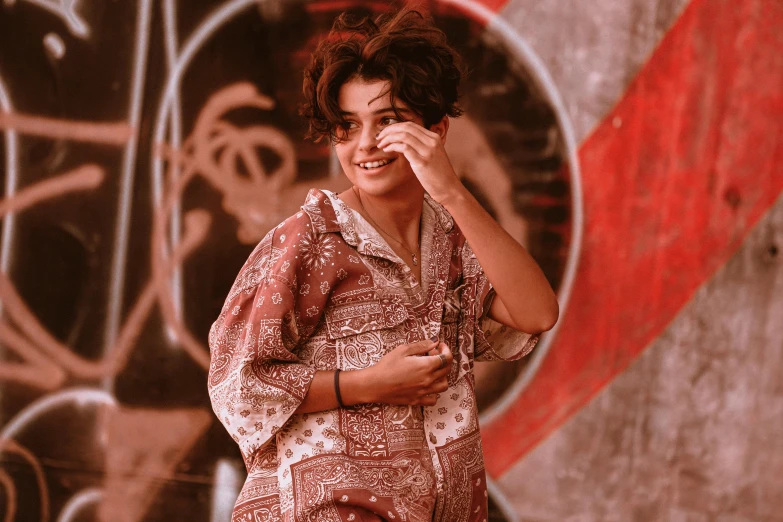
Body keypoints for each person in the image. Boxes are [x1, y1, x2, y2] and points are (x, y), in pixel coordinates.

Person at [207, 8, 559, 521]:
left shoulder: (456, 243)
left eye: (388, 121)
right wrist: (367, 383)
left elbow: (537, 313)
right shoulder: (310, 239)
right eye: (347, 127)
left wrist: (452, 192)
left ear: (436, 130)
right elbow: (237, 384)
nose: (366, 144)